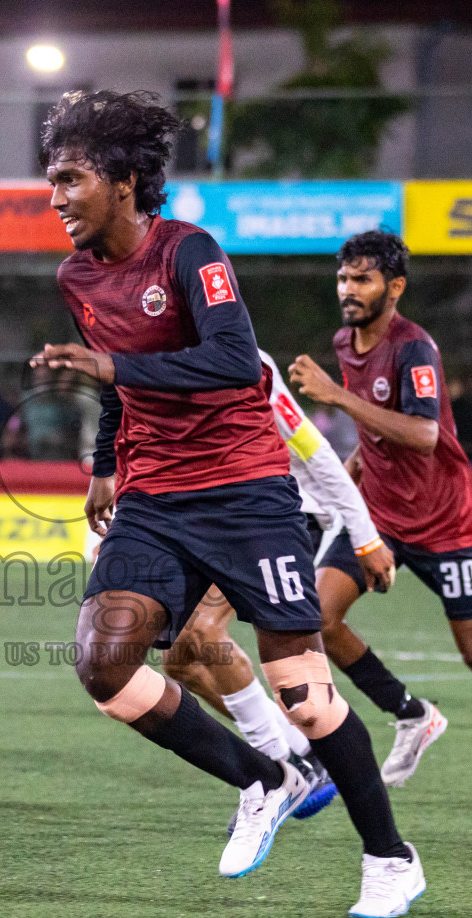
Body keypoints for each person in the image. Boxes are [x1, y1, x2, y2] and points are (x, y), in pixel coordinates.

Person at [31, 90, 422, 918]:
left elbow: (235, 361)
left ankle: (391, 858)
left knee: (307, 700)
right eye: (51, 179)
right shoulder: (75, 276)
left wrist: (110, 374)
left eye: (70, 177)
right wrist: (105, 462)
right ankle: (262, 777)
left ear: (126, 180)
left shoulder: (188, 251)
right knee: (104, 664)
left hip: (246, 495)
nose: (55, 196)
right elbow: (118, 382)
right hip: (152, 500)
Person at [290, 230, 472, 804]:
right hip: (378, 515)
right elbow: (377, 430)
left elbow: (424, 435)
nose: (348, 290)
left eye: (363, 279)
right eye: (343, 278)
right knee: (318, 620)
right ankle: (411, 714)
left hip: (441, 523)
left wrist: (336, 397)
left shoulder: (414, 348)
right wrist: (347, 475)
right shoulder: (345, 341)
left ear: (394, 287)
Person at [163, 348, 405, 833]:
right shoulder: (151, 361)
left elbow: (316, 451)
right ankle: (299, 755)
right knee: (180, 660)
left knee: (206, 630)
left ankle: (279, 773)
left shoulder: (248, 364)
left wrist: (365, 535)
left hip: (284, 514)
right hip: (217, 522)